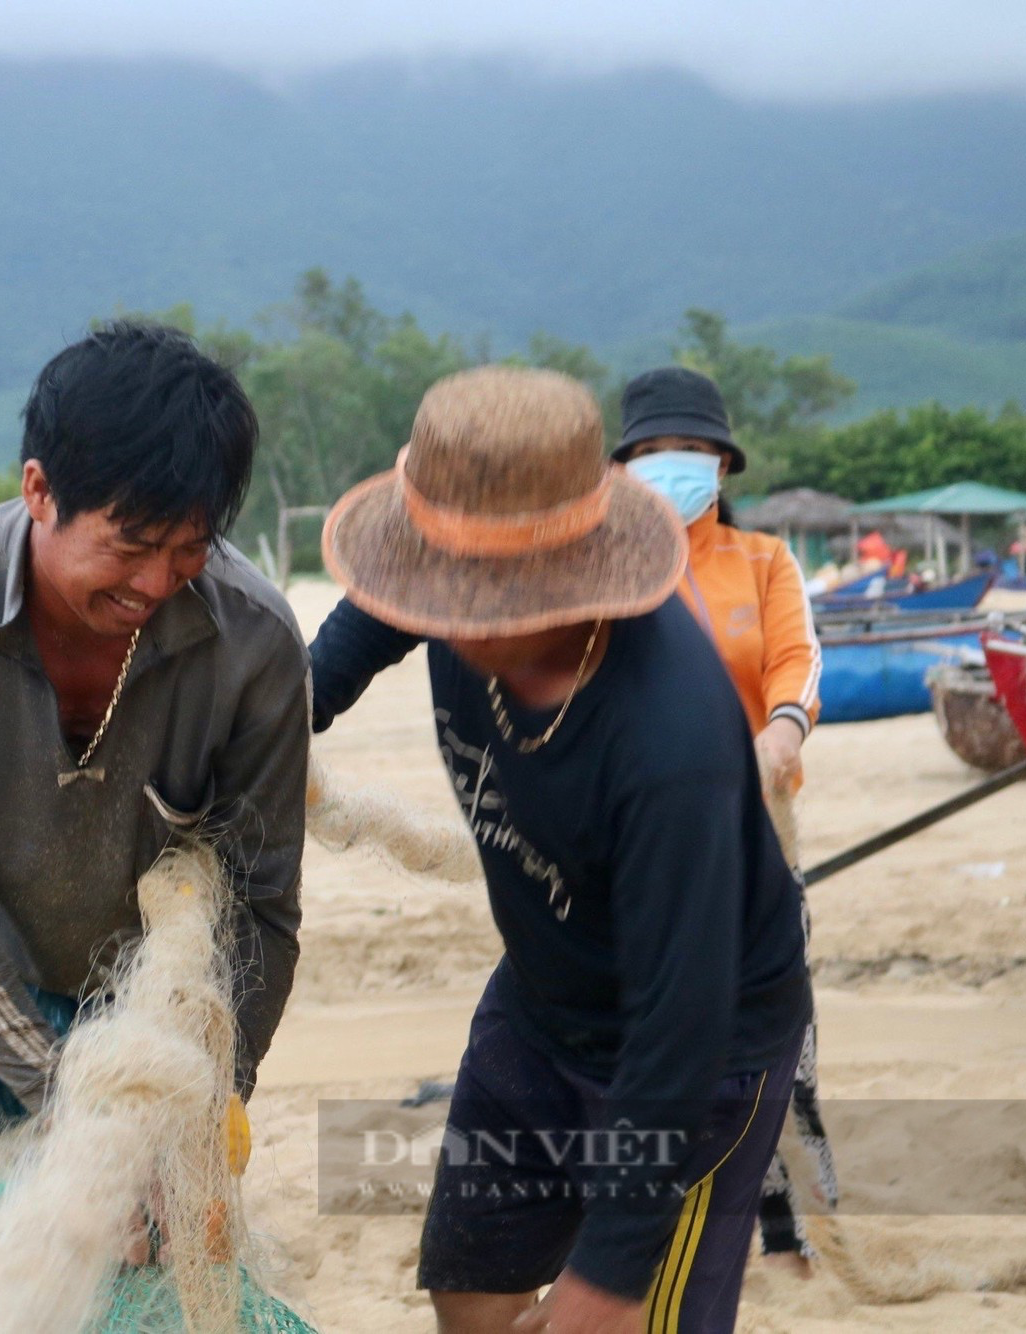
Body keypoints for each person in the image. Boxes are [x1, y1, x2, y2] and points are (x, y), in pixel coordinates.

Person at [0, 321, 311, 1331]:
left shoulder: (253, 644)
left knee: (130, 1267)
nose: (157, 583)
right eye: (128, 544)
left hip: (143, 1003)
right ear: (38, 491)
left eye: (187, 549)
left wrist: (193, 1115)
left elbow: (260, 900)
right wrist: (66, 1103)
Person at [310, 366, 812, 1334]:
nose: (443, 613)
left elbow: (681, 1022)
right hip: (537, 1013)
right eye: (430, 578)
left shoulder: (667, 740)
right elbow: (372, 616)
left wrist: (605, 1278)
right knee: (471, 1295)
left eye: (471, 590)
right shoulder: (442, 589)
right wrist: (293, 705)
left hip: (696, 1060)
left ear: (566, 574)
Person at [613, 366, 837, 1275]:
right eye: (656, 451)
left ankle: (791, 1228)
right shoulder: (607, 572)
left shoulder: (764, 563)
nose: (675, 465)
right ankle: (648, 1221)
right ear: (624, 466)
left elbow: (796, 660)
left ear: (723, 467)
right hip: (640, 846)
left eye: (693, 451)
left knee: (781, 1034)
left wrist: (784, 729)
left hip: (761, 837)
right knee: (653, 1032)